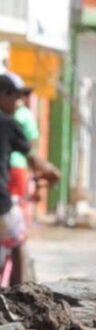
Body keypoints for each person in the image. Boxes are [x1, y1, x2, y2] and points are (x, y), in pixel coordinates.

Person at [0, 73, 58, 285]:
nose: (20, 103)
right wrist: (52, 172)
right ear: (3, 96)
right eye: (15, 98)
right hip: (1, 200)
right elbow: (33, 157)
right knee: (18, 241)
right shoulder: (9, 124)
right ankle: (21, 295)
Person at [8, 75, 39, 222]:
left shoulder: (16, 115)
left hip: (12, 166)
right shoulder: (25, 115)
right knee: (17, 206)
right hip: (18, 166)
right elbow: (32, 144)